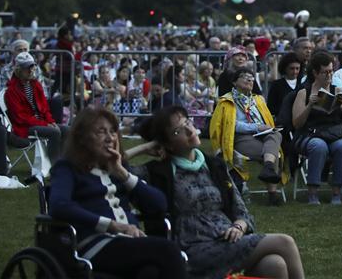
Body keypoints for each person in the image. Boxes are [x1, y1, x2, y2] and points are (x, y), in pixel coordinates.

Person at [129, 106, 305, 279]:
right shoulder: (159, 172)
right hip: (194, 249)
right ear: (167, 144)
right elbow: (110, 167)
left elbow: (241, 211)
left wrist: (239, 226)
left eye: (188, 123)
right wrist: (144, 148)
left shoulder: (214, 165)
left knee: (275, 264)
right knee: (285, 242)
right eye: (178, 131)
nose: (190, 131)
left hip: (227, 239)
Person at [48, 107, 186, 279]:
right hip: (93, 245)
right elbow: (59, 206)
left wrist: (122, 173)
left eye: (113, 132)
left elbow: (159, 205)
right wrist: (112, 225)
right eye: (101, 132)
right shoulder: (67, 168)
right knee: (169, 250)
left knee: (151, 273)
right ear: (82, 138)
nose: (110, 138)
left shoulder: (116, 168)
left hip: (127, 243)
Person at [210, 64, 286, 205]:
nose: (250, 81)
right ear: (234, 82)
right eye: (245, 78)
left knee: (276, 135)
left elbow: (265, 118)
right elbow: (232, 124)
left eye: (251, 79)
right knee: (272, 152)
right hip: (240, 137)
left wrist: (267, 127)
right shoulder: (226, 101)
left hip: (264, 134)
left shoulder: (258, 100)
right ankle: (273, 193)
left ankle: (268, 168)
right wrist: (256, 127)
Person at [291, 51, 342, 205]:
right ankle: (313, 193)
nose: (329, 75)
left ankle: (337, 193)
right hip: (311, 134)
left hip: (335, 134)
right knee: (318, 146)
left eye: (331, 71)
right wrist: (309, 106)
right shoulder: (303, 93)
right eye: (325, 72)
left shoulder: (337, 91)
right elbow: (296, 124)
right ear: (315, 72)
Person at [4, 52, 65, 162]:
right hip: (25, 127)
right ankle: (54, 164)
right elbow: (21, 118)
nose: (31, 70)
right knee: (54, 132)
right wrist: (46, 124)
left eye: (32, 66)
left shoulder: (36, 84)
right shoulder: (11, 91)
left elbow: (45, 108)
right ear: (19, 70)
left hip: (40, 123)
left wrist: (51, 122)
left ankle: (64, 162)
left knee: (66, 129)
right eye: (28, 67)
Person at [266, 53, 302, 120]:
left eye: (297, 68)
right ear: (285, 68)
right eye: (292, 68)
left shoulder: (303, 83)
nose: (295, 71)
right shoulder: (276, 85)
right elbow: (271, 107)